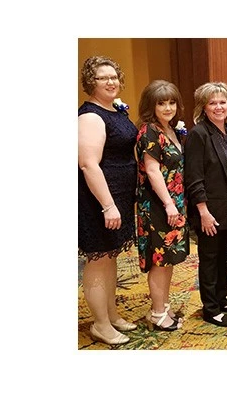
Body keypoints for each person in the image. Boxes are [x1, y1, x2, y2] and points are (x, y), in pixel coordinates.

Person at [78, 55, 137, 345]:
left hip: (119, 196)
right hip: (99, 200)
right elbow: (88, 164)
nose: (111, 82)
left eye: (114, 76)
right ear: (91, 82)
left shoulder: (114, 110)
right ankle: (100, 324)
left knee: (110, 257)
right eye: (103, 78)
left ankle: (111, 314)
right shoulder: (90, 116)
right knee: (98, 260)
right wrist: (108, 205)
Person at [184, 82, 227, 327]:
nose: (219, 107)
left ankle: (222, 299)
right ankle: (210, 308)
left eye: (223, 102)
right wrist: (203, 211)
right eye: (212, 103)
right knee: (210, 259)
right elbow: (194, 177)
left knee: (222, 257)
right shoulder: (199, 134)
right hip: (209, 211)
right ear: (203, 107)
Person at [135, 80, 190, 331]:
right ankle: (158, 313)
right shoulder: (149, 131)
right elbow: (152, 171)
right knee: (159, 260)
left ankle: (163, 307)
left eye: (171, 102)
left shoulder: (170, 129)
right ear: (151, 106)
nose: (168, 108)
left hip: (174, 203)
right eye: (161, 103)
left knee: (167, 259)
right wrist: (168, 204)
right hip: (159, 205)